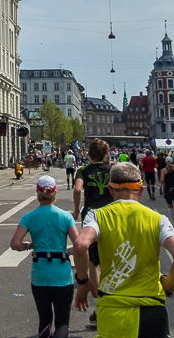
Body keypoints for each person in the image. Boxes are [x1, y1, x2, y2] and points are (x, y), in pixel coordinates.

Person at [72, 162, 174, 338]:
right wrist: (168, 285)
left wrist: (83, 283)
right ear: (141, 190)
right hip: (152, 307)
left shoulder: (97, 215)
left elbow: (81, 245)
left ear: (110, 190)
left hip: (113, 308)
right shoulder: (158, 219)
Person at [11, 175, 79, 338]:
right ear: (55, 192)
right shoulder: (65, 216)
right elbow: (78, 244)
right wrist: (68, 251)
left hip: (40, 274)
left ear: (37, 193)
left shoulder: (29, 217)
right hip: (62, 274)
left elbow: (15, 244)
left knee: (45, 319)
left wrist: (29, 245)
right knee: (62, 321)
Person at [72, 139, 114, 326]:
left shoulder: (83, 171)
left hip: (91, 218)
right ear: (106, 153)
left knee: (92, 263)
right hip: (112, 216)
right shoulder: (112, 170)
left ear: (88, 153)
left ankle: (100, 308)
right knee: (112, 261)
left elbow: (78, 188)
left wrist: (75, 209)